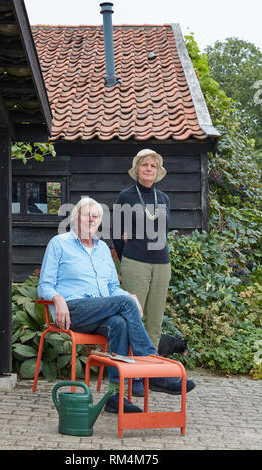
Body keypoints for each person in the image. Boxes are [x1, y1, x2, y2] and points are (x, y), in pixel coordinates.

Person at [38, 197, 195, 414]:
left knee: (119, 323)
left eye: (95, 217)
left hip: (100, 312)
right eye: (86, 215)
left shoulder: (103, 249)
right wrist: (58, 299)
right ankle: (152, 371)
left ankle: (115, 397)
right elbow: (44, 284)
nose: (91, 220)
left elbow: (112, 288)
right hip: (72, 310)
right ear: (75, 218)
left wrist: (129, 296)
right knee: (124, 303)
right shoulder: (59, 243)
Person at [112, 149, 172, 397]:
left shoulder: (164, 198)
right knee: (133, 318)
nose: (149, 169)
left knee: (154, 321)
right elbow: (117, 233)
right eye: (144, 165)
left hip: (162, 263)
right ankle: (132, 375)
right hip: (134, 261)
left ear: (157, 172)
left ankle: (150, 373)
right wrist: (129, 255)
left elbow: (165, 232)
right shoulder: (125, 196)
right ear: (137, 169)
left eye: (153, 166)